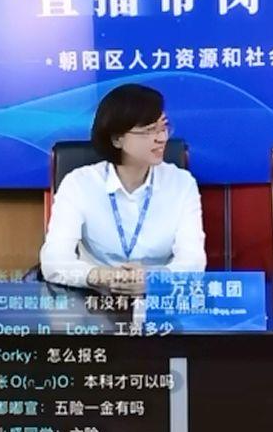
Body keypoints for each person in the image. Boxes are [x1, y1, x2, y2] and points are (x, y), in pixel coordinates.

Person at [40, 84, 207, 292]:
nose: (162, 138)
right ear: (117, 139)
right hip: (93, 298)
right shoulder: (79, 184)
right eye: (149, 130)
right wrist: (102, 276)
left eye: (163, 127)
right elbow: (54, 260)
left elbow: (193, 261)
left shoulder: (181, 184)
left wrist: (153, 281)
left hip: (160, 299)